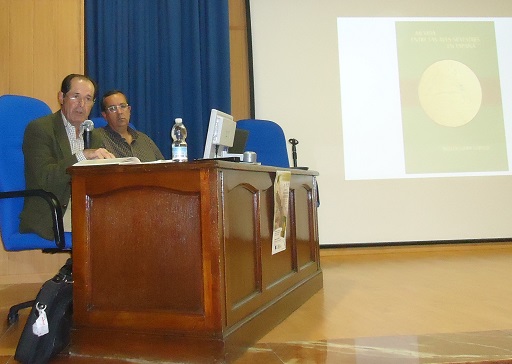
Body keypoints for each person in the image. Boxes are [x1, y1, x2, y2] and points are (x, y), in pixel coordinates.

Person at [20, 74, 115, 240]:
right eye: (75, 97)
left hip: (87, 207)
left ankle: (74, 266)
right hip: (54, 209)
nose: (81, 105)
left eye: (88, 99)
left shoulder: (94, 135)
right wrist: (81, 156)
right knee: (112, 234)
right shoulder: (40, 129)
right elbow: (45, 178)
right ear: (61, 97)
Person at [98, 90, 164, 162]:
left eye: (123, 106)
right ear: (105, 115)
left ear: (129, 110)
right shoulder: (98, 138)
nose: (120, 112)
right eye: (113, 108)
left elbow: (164, 167)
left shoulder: (144, 139)